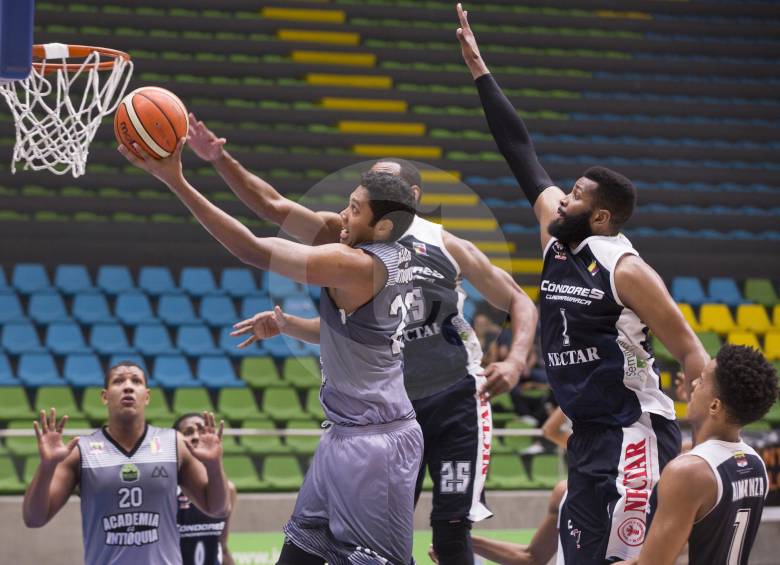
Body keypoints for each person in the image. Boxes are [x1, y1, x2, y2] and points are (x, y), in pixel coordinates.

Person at [187, 117, 539, 565]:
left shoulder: (447, 246)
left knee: (451, 532)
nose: (366, 190)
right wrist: (219, 159)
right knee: (362, 540)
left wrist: (516, 359)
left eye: (380, 182)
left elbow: (519, 299)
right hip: (392, 409)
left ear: (410, 197)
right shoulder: (349, 236)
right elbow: (272, 205)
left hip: (454, 402)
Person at [455, 4, 710, 563]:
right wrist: (480, 71)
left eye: (573, 196)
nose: (560, 199)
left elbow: (691, 350)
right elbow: (519, 151)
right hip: (588, 433)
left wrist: (705, 445)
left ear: (599, 216)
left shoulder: (626, 269)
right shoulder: (556, 237)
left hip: (634, 430)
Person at [119, 139, 423, 565]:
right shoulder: (397, 252)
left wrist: (177, 181)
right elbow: (351, 334)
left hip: (377, 446)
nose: (343, 214)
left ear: (383, 226)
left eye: (355, 209)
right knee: (300, 550)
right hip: (344, 434)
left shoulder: (356, 264)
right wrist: (287, 324)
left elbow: (252, 248)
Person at [22, 362, 231, 565]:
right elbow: (34, 519)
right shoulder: (81, 451)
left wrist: (214, 466)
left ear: (147, 396)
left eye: (136, 381)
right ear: (105, 396)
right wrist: (46, 467)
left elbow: (218, 509)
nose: (128, 386)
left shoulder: (174, 444)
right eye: (118, 381)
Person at [616, 345, 777, 565]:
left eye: (700, 381)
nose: (692, 384)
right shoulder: (755, 463)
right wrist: (697, 403)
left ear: (715, 405)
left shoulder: (687, 473)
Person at [175, 413, 238, 565]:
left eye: (202, 432)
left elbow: (222, 547)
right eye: (188, 432)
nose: (196, 437)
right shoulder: (164, 490)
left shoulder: (228, 490)